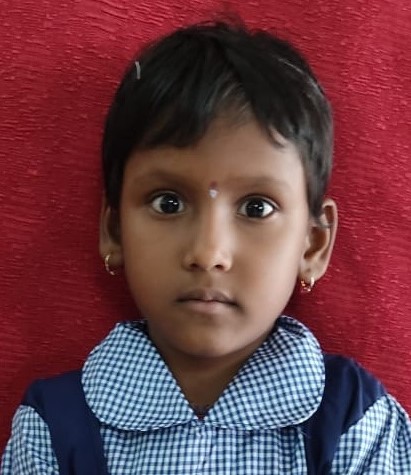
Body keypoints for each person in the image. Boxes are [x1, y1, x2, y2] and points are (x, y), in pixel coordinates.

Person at [1, 20, 410, 475]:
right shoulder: (53, 432)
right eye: (168, 203)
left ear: (313, 245)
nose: (208, 252)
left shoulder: (357, 424)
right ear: (115, 231)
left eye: (256, 208)